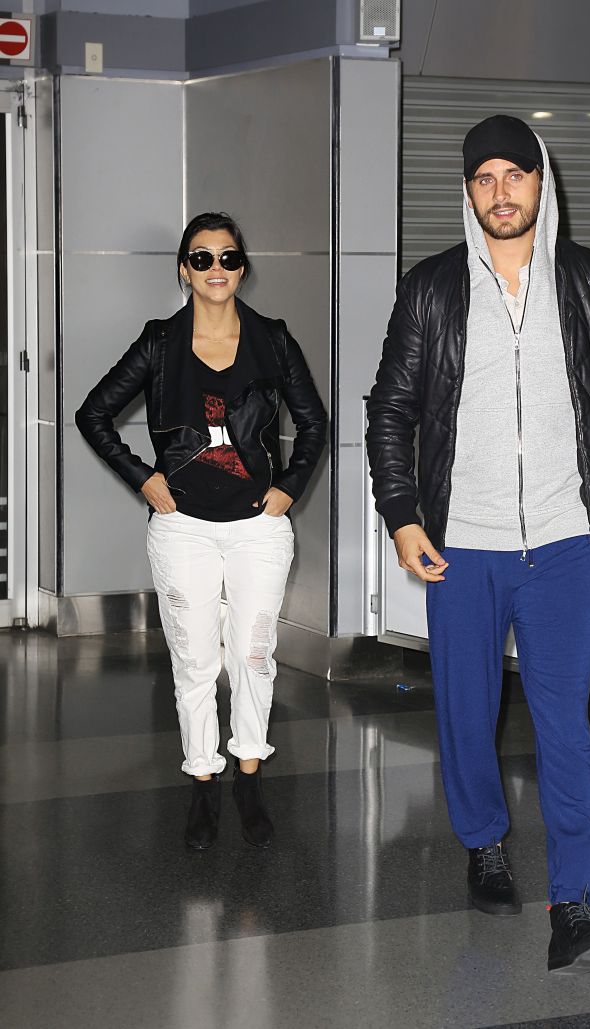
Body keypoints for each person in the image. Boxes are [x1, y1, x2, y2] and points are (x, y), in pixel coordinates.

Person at [366, 116, 590, 974]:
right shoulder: (431, 290)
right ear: (467, 192)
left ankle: (574, 903)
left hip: (566, 542)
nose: (501, 190)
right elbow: (392, 408)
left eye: (515, 174)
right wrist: (403, 514)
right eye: (484, 177)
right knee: (466, 710)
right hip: (463, 545)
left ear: (542, 182)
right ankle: (484, 841)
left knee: (565, 723)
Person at [76, 212, 326, 852]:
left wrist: (288, 489)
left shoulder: (273, 338)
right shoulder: (160, 342)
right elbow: (94, 412)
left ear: (243, 268)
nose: (217, 270)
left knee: (252, 653)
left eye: (228, 258)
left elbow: (313, 422)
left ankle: (249, 772)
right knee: (194, 659)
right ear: (185, 269)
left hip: (257, 528)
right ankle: (203, 780)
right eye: (203, 258)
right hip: (181, 526)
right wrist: (144, 479)